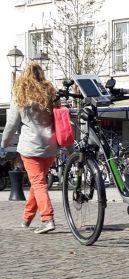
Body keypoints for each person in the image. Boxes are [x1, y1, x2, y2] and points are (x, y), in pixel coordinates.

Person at [1, 63, 58, 233]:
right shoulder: (50, 94)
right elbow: (59, 119)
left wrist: (4, 142)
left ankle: (47, 219)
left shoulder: (21, 95)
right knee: (37, 183)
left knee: (38, 182)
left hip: (30, 146)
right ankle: (26, 218)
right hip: (50, 146)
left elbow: (11, 123)